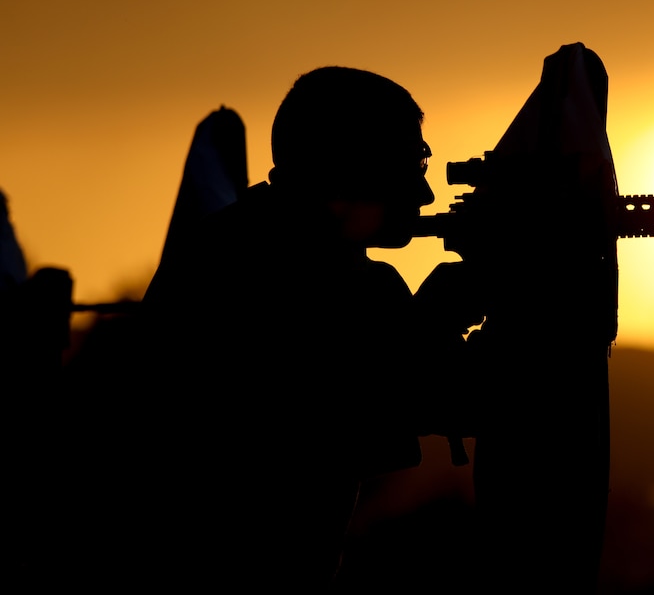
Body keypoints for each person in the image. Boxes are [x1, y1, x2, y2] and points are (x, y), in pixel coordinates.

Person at [122, 67, 478, 588]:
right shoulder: (317, 275)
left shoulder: (231, 244)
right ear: (355, 164)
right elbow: (449, 397)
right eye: (413, 162)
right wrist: (449, 313)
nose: (425, 195)